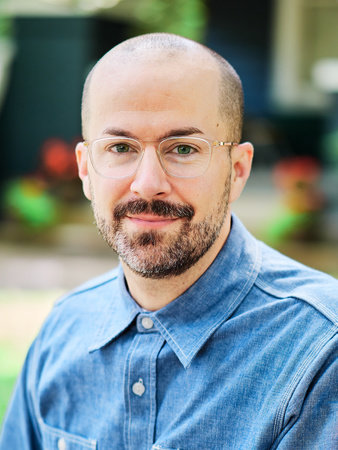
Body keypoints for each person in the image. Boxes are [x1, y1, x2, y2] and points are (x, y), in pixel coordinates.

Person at [0, 33, 337, 450]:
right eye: (120, 147)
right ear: (86, 170)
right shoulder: (64, 330)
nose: (147, 184)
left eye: (182, 148)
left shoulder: (321, 350)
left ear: (237, 170)